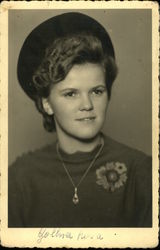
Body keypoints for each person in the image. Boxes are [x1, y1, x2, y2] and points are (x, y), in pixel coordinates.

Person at [8, 12, 152, 227]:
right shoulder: (21, 177)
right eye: (71, 94)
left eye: (97, 91)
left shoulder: (141, 172)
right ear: (46, 104)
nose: (87, 105)